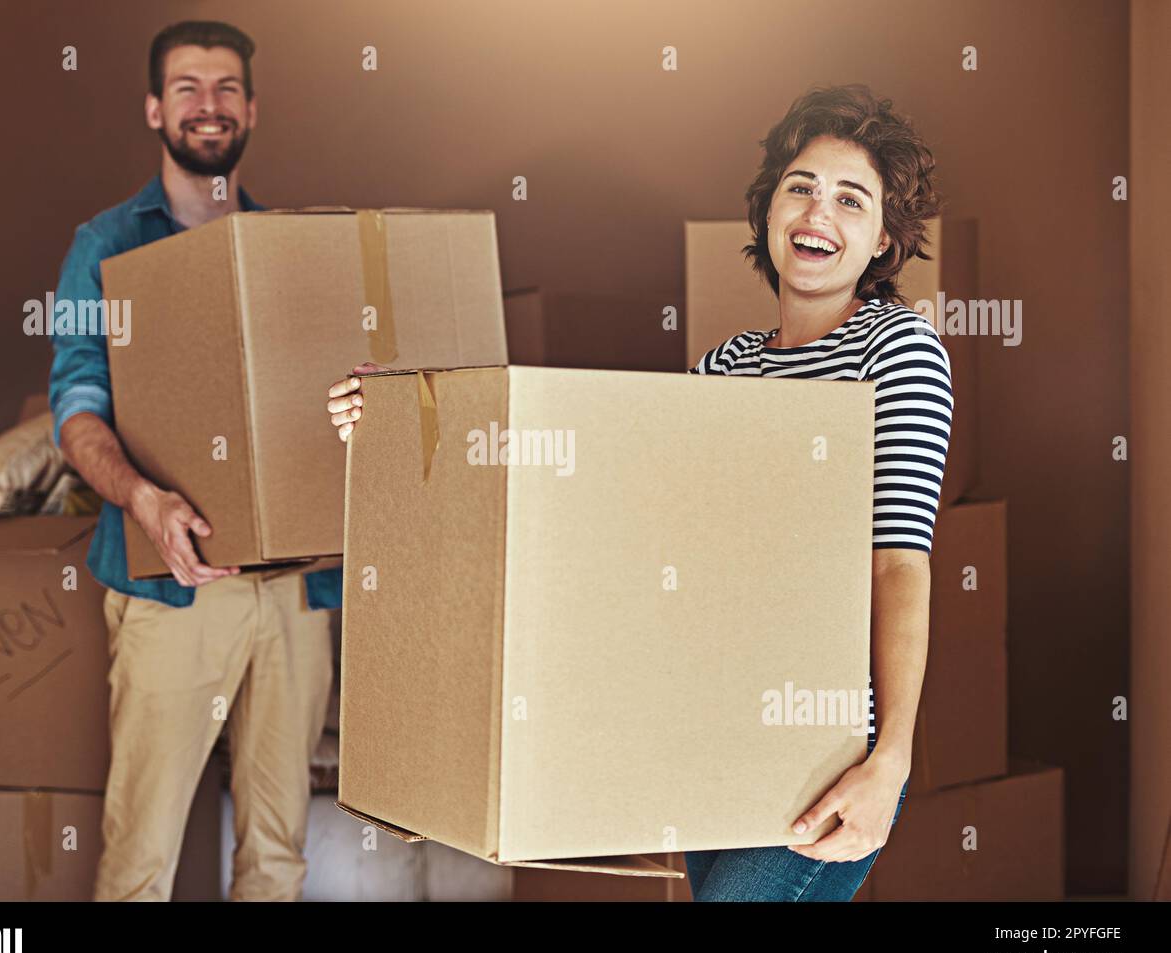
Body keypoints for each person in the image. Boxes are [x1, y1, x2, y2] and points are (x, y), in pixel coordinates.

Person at [326, 83, 951, 902]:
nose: (816, 213)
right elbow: (619, 510)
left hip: (822, 746)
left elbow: (898, 563)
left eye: (850, 198)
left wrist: (890, 760)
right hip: (711, 724)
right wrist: (401, 422)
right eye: (799, 187)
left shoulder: (898, 351)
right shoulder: (727, 367)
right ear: (767, 210)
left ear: (882, 239)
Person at [49, 20, 341, 901]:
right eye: (186, 88)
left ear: (251, 108)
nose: (207, 106)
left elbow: (315, 405)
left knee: (278, 855)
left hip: (292, 589)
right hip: (171, 583)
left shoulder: (289, 246)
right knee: (142, 857)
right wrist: (142, 498)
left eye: (224, 89)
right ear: (154, 107)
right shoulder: (101, 246)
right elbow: (75, 405)